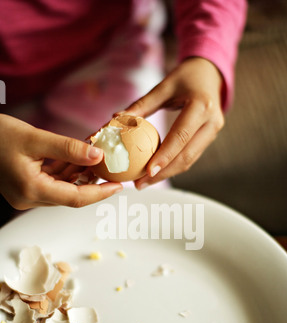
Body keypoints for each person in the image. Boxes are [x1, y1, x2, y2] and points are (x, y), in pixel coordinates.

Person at [0, 0, 247, 219]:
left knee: (121, 213)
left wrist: (207, 58)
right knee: (39, 209)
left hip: (106, 43)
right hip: (8, 82)